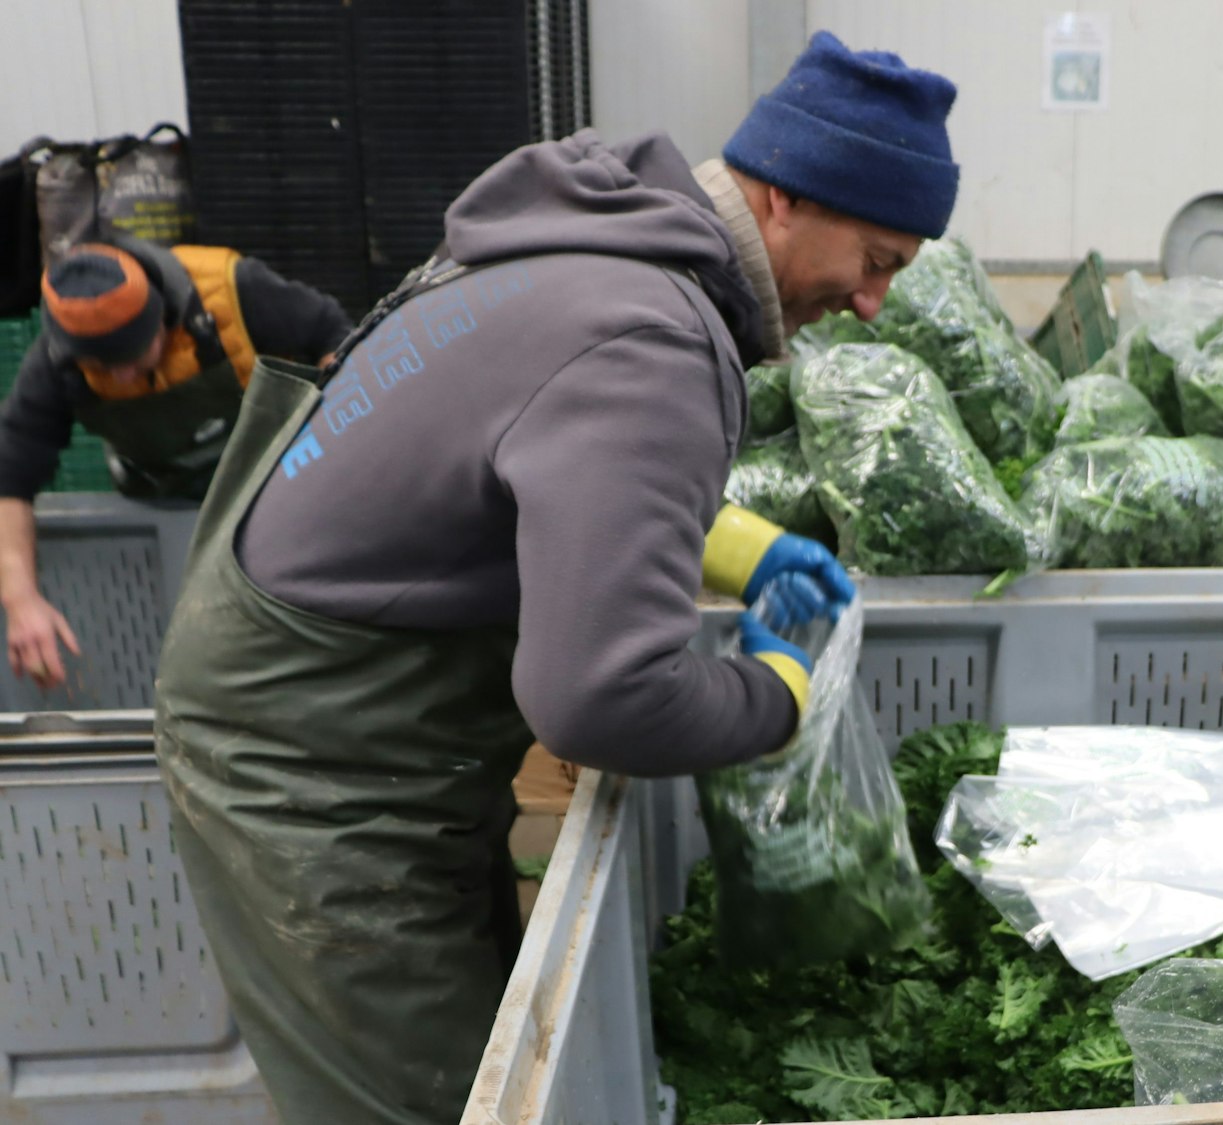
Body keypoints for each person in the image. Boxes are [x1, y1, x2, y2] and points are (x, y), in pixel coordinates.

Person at [151, 31, 957, 1125]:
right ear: (781, 201)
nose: (871, 303)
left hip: (339, 703)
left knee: (484, 1047)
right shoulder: (651, 334)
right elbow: (600, 698)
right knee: (423, 1104)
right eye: (876, 262)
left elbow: (526, 458)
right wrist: (779, 696)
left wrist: (734, 544)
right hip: (312, 770)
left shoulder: (585, 248)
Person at [0, 239, 349, 690]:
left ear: (162, 317)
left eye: (130, 358)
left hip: (282, 501)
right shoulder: (57, 362)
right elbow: (10, 479)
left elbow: (335, 339)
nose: (121, 378)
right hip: (170, 515)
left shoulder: (231, 291)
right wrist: (21, 600)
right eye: (100, 367)